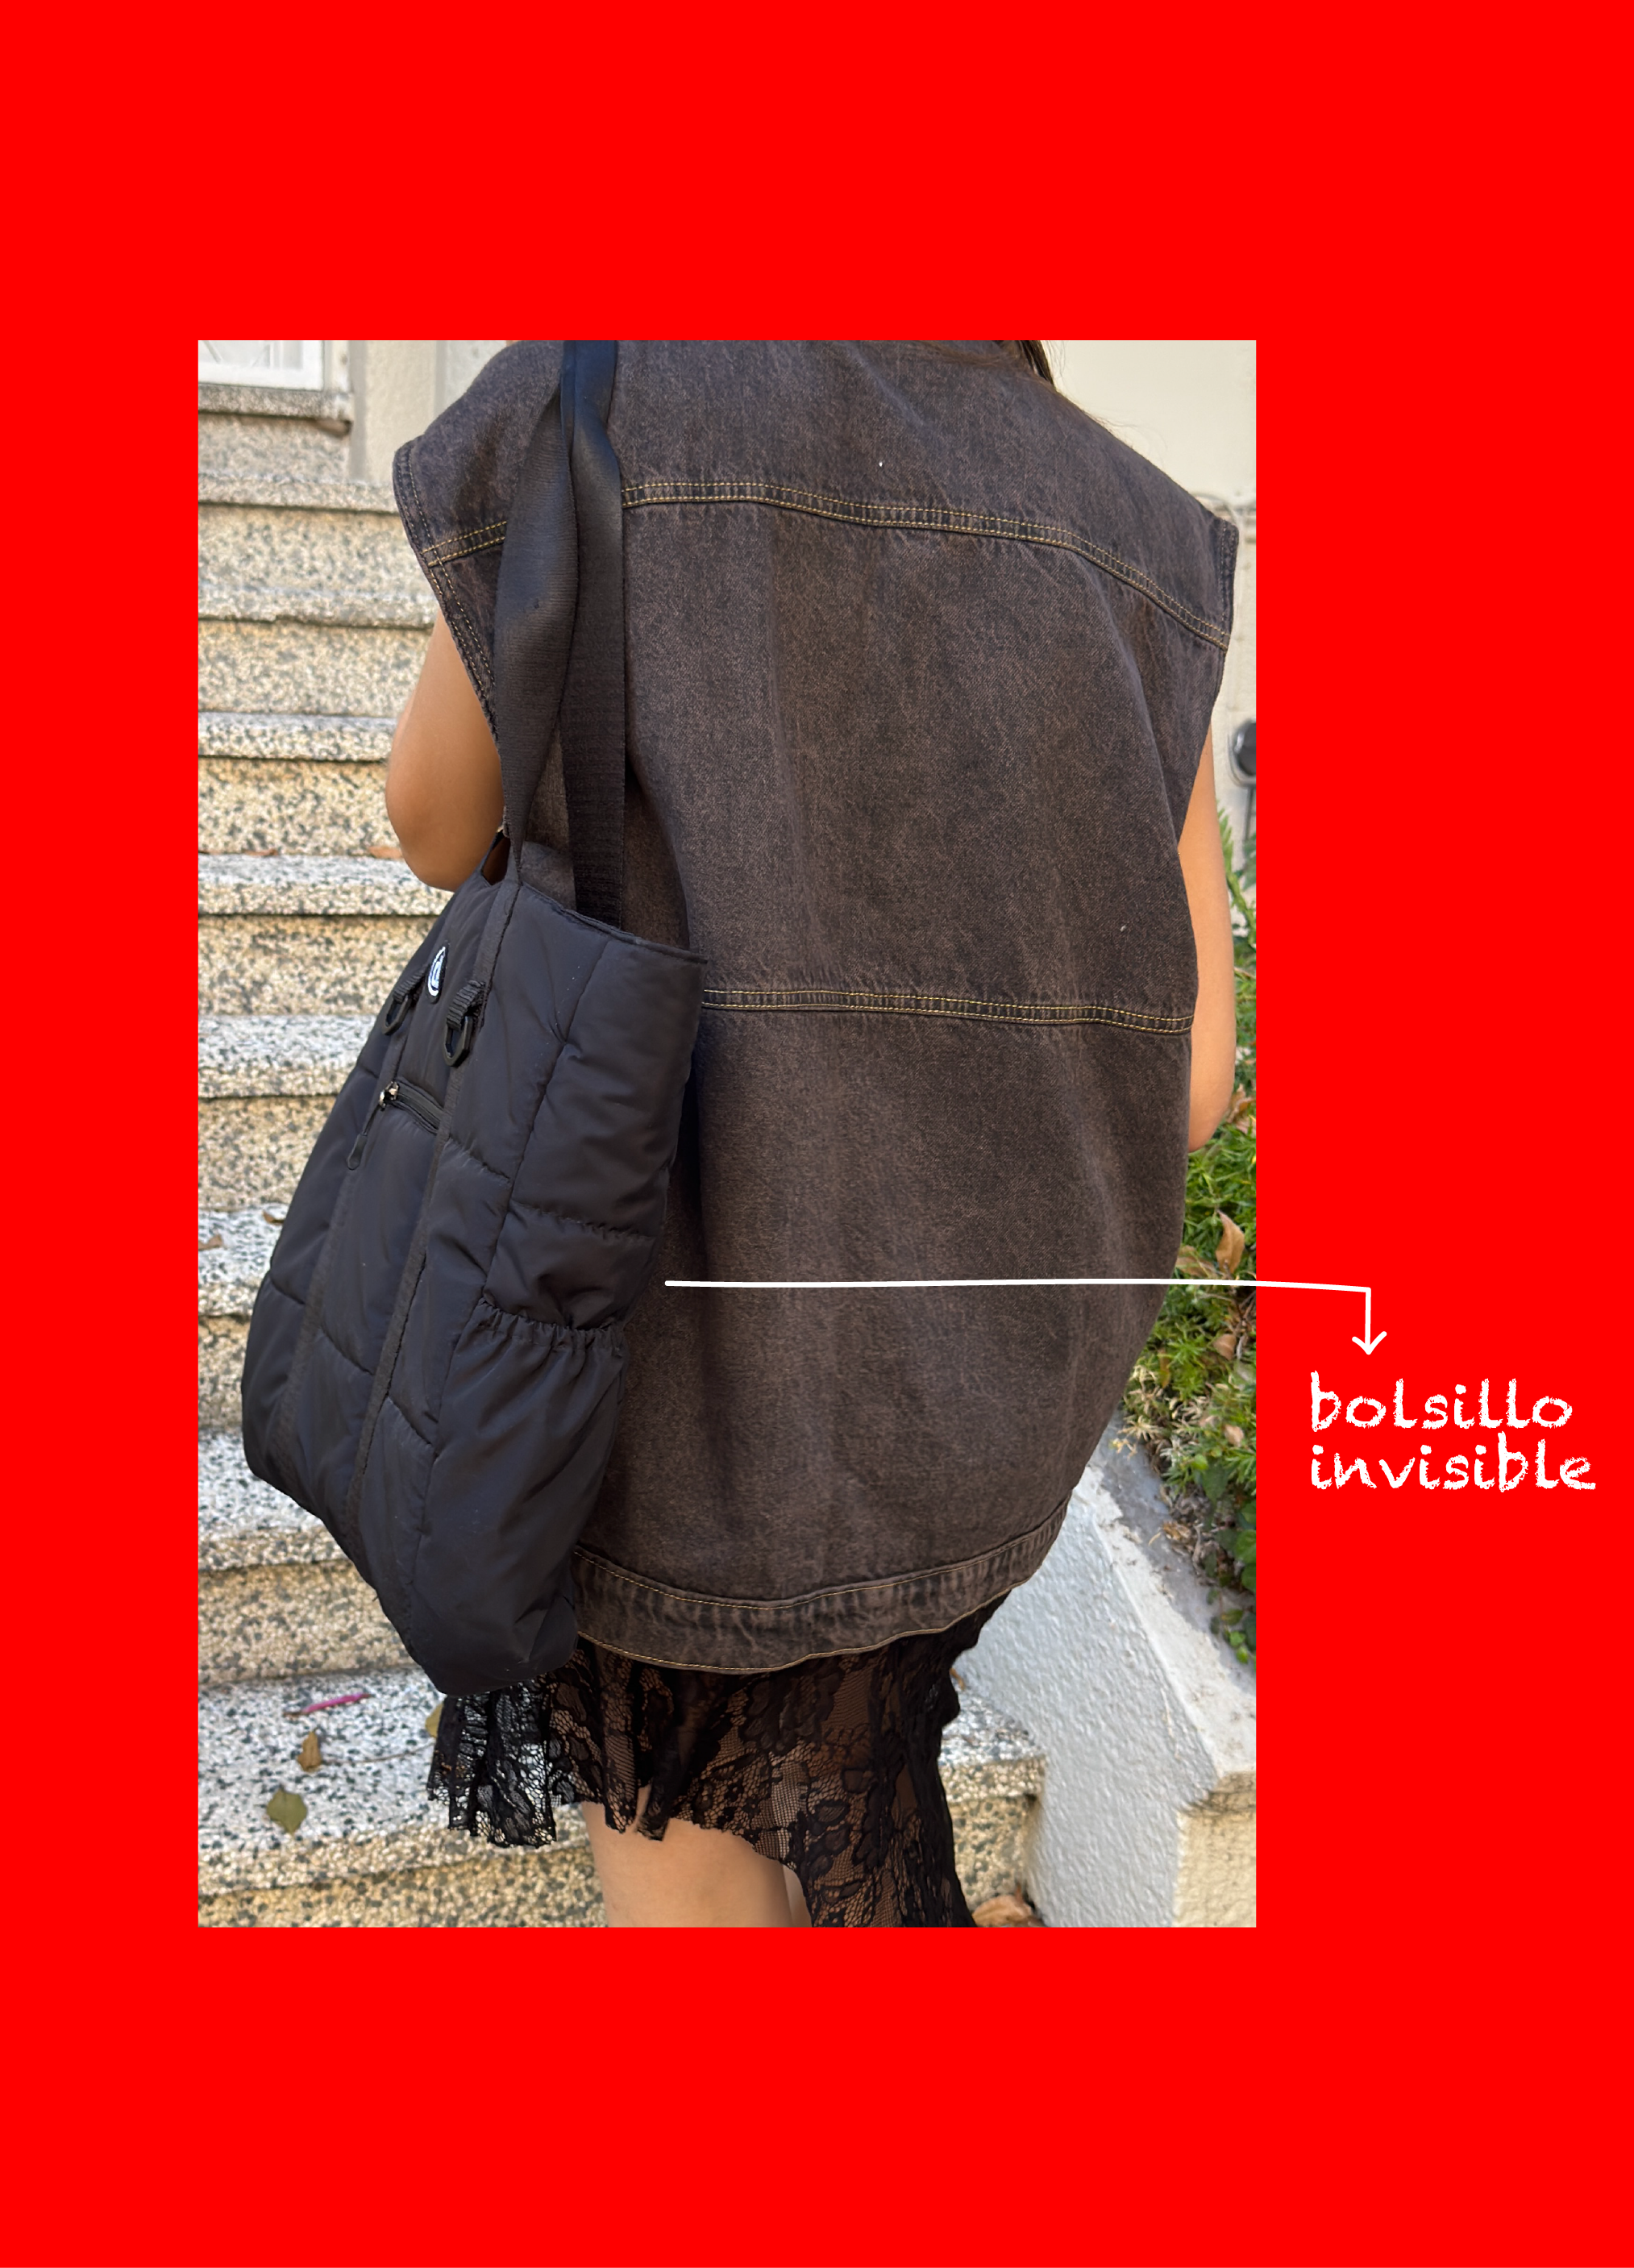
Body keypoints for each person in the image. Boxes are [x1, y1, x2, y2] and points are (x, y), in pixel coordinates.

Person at [385, 341, 1237, 1926]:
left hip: (669, 1382)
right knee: (856, 1805)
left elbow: (434, 819)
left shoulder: (600, 388)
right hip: (981, 1421)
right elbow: (1188, 1088)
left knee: (701, 1889)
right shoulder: (1146, 533)